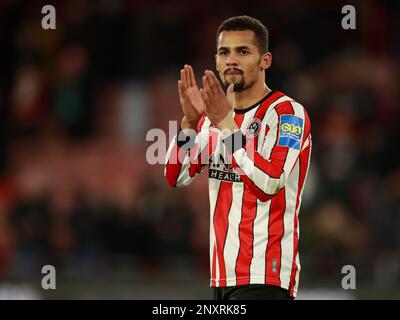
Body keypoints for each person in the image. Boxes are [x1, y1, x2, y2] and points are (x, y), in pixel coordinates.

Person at [164, 15, 312, 300]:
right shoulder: (213, 118)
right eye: (224, 52)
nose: (231, 59)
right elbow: (176, 176)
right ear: (217, 61)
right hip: (221, 275)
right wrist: (188, 123)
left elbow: (270, 182)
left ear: (265, 60)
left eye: (243, 51)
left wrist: (227, 126)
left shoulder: (287, 113)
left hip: (265, 276)